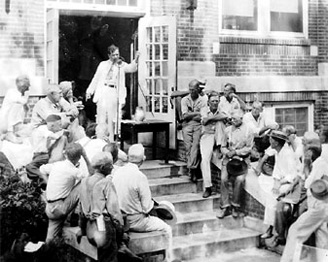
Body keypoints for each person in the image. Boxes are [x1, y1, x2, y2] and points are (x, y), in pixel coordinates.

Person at [112, 144, 174, 261]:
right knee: (167, 228)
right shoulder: (140, 176)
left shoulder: (117, 172)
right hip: (136, 222)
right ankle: (169, 258)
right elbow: (147, 207)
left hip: (120, 219)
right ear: (143, 159)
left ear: (129, 157)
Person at [77, 152, 141, 262]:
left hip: (89, 229)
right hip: (103, 229)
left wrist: (82, 229)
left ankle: (121, 248)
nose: (112, 167)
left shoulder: (84, 182)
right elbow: (115, 213)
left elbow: (81, 210)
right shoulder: (107, 183)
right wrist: (120, 233)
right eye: (110, 165)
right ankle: (121, 247)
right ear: (103, 167)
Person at [86, 44, 139, 142]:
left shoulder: (121, 65)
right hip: (103, 91)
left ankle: (111, 140)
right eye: (113, 55)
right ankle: (100, 140)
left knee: (112, 118)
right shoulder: (102, 64)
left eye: (117, 54)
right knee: (101, 116)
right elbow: (96, 78)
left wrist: (135, 60)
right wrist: (90, 91)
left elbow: (131, 68)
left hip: (113, 92)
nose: (116, 57)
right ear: (109, 55)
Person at [41, 143, 91, 243]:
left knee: (50, 238)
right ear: (79, 157)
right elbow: (92, 176)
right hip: (60, 208)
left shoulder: (57, 165)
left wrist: (48, 184)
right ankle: (78, 217)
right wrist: (86, 157)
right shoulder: (73, 170)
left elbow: (41, 169)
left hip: (50, 207)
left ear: (65, 155)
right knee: (83, 183)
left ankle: (46, 250)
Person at [258, 130, 301, 240]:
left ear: (277, 142)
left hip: (292, 184)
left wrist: (279, 183)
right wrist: (276, 182)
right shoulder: (278, 152)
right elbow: (277, 172)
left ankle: (272, 230)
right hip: (282, 182)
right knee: (268, 191)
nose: (269, 141)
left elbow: (293, 175)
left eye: (271, 139)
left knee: (272, 197)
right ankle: (271, 228)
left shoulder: (287, 154)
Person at [280, 173, 328, 262]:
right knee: (323, 237)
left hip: (321, 206)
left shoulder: (321, 164)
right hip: (320, 203)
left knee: (295, 231)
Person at [217, 109, 254, 218]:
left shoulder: (248, 130)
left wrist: (237, 152)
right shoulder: (227, 130)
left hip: (242, 161)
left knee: (240, 180)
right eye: (231, 118)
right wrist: (228, 153)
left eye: (234, 119)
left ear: (241, 119)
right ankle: (225, 206)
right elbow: (222, 146)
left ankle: (235, 206)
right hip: (228, 160)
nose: (232, 121)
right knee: (223, 179)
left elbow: (249, 148)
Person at [26, 114, 68, 186]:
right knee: (30, 167)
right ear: (52, 125)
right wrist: (62, 132)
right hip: (39, 155)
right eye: (59, 125)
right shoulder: (43, 129)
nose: (60, 127)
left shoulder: (47, 130)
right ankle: (42, 178)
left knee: (29, 167)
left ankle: (44, 180)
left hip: (43, 155)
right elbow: (52, 136)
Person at [199, 91, 227, 198]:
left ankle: (220, 147)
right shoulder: (203, 110)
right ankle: (208, 187)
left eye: (217, 101)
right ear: (208, 102)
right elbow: (204, 121)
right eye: (212, 101)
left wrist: (211, 118)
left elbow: (225, 117)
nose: (215, 103)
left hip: (219, 136)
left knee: (220, 123)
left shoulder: (221, 108)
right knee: (205, 159)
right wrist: (217, 117)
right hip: (207, 135)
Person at [180, 79, 207, 182]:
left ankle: (193, 171)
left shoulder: (203, 100)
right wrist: (196, 113)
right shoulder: (184, 100)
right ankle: (192, 169)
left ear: (198, 89)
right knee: (188, 147)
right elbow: (184, 115)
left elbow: (203, 116)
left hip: (197, 125)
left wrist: (192, 115)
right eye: (190, 89)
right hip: (186, 125)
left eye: (193, 90)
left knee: (195, 146)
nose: (191, 92)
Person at [0, 75, 30, 144]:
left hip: (17, 120)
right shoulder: (11, 92)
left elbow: (25, 108)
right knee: (13, 108)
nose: (25, 89)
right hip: (6, 120)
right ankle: (8, 134)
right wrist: (25, 101)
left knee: (26, 131)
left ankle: (11, 134)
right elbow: (19, 100)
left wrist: (25, 105)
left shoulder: (25, 93)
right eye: (24, 86)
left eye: (26, 86)